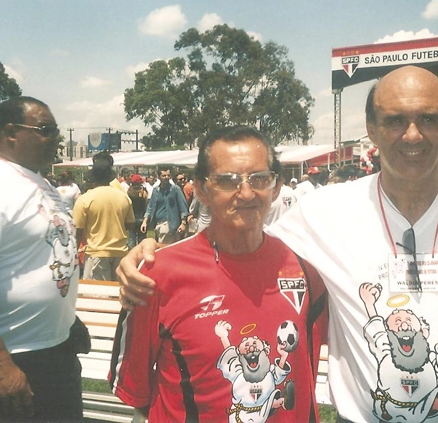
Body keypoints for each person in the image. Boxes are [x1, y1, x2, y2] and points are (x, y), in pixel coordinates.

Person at [118, 66, 438, 422]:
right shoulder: (321, 212)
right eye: (394, 120)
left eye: (428, 118)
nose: (412, 135)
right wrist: (147, 252)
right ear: (371, 128)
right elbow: (239, 233)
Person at [109, 126, 327, 422]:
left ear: (276, 188)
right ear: (201, 189)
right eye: (228, 181)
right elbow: (135, 389)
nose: (247, 193)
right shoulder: (154, 276)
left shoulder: (307, 270)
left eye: (260, 178)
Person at [0, 96, 83, 421]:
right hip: (13, 359)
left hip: (55, 351)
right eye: (46, 130)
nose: (56, 138)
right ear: (11, 132)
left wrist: (67, 320)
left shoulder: (33, 180)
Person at [73, 162, 135, 281]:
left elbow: (77, 230)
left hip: (96, 253)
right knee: (119, 294)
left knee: (97, 296)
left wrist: (73, 254)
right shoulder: (123, 197)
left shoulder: (85, 199)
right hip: (120, 253)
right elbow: (130, 224)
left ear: (93, 179)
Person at [141, 165, 189, 244]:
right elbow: (150, 207)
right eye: (164, 175)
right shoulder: (156, 190)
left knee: (163, 249)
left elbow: (183, 206)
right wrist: (145, 221)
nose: (166, 177)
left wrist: (183, 223)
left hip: (169, 225)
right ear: (159, 177)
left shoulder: (175, 189)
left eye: (168, 175)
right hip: (157, 225)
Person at [127, 174, 149, 248]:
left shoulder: (129, 192)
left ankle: (131, 253)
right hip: (142, 218)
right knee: (142, 238)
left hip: (132, 218)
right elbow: (147, 204)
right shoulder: (143, 192)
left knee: (131, 238)